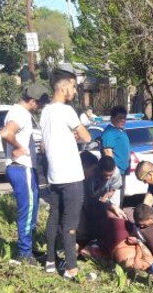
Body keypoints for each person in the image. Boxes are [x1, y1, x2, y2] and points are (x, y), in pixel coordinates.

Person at [40, 67, 92, 280]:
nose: (75, 91)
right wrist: (76, 135)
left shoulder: (45, 111)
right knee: (70, 223)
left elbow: (46, 143)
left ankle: (50, 261)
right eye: (73, 87)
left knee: (54, 218)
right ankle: (71, 267)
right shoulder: (66, 111)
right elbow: (87, 137)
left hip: (54, 175)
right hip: (71, 176)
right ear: (63, 87)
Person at [0, 83, 51, 266]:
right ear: (31, 101)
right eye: (39, 105)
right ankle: (23, 253)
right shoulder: (20, 113)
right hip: (21, 168)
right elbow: (6, 133)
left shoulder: (17, 112)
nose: (39, 108)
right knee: (27, 212)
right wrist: (18, 147)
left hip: (22, 169)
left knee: (32, 209)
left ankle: (28, 248)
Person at [101, 105, 130, 177]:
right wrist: (113, 171)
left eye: (124, 118)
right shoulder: (109, 132)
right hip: (116, 172)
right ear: (112, 119)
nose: (123, 120)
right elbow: (108, 152)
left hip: (123, 171)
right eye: (120, 118)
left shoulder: (121, 131)